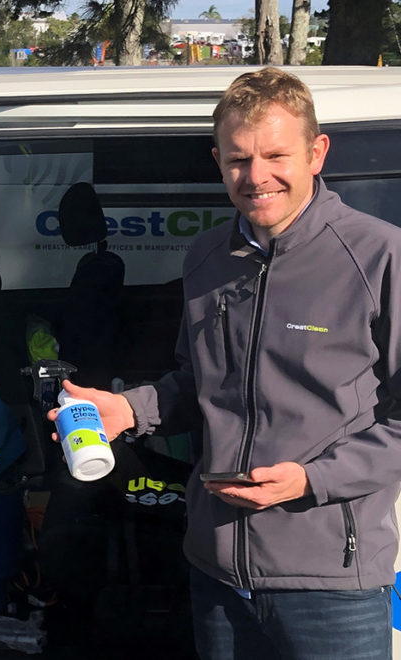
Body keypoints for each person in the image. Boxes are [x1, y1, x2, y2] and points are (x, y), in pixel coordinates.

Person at [51, 67, 401, 659]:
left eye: (275, 155)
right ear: (218, 159)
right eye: (238, 159)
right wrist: (127, 409)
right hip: (215, 569)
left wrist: (312, 480)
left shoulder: (379, 256)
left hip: (329, 582)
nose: (256, 176)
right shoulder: (208, 255)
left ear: (317, 153)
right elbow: (199, 383)